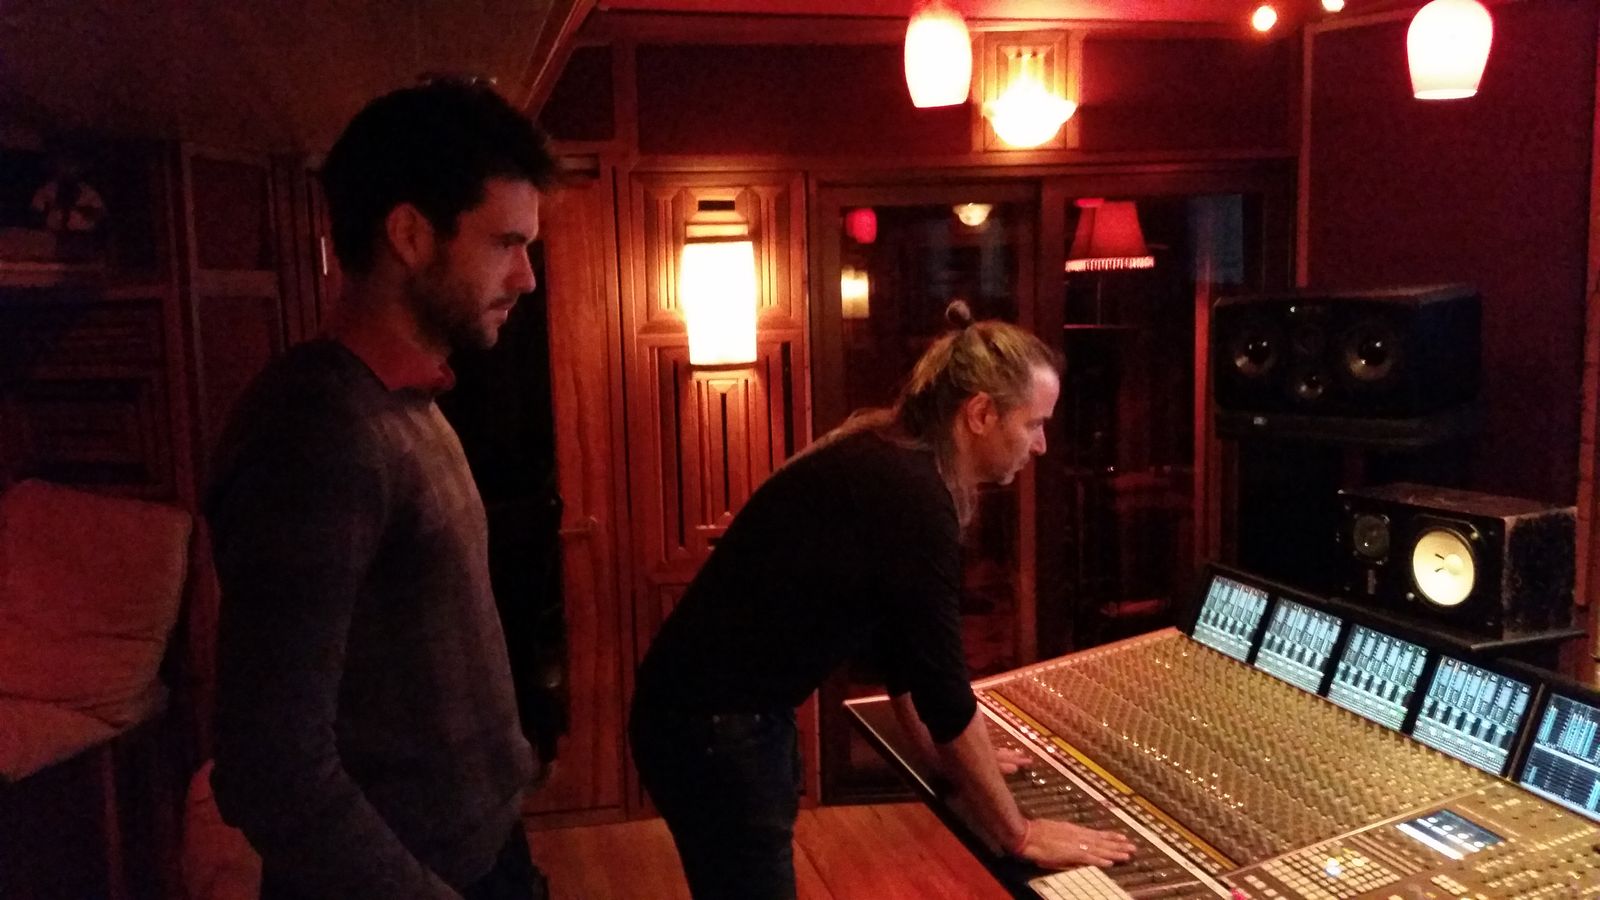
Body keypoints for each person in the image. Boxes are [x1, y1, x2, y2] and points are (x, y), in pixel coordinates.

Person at [630, 301, 1136, 899]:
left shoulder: (892, 457)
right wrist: (1019, 834)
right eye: (1034, 424)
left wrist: (945, 760)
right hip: (716, 728)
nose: (1042, 445)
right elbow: (943, 687)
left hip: (705, 718)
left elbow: (904, 648)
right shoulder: (912, 494)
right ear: (980, 413)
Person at [206, 78, 559, 900]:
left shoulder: (405, 403)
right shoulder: (316, 433)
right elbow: (270, 765)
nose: (527, 278)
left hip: (483, 855)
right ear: (410, 235)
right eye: (506, 243)